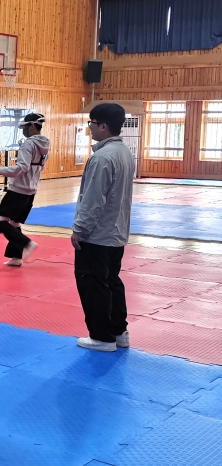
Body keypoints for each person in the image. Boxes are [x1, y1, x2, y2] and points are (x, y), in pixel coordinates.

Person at [71, 103, 134, 352]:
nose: (90, 128)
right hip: (116, 232)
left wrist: (80, 229)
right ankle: (119, 332)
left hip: (97, 235)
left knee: (93, 285)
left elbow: (93, 200)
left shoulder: (102, 158)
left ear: (104, 126)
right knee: (111, 282)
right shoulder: (124, 152)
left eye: (92, 124)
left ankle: (102, 337)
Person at [0, 114, 50, 266]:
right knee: (14, 223)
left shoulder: (28, 144)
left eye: (24, 127)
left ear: (32, 126)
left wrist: (0, 171)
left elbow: (22, 167)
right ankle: (16, 257)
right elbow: (39, 167)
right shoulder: (44, 146)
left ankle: (27, 243)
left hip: (18, 190)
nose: (23, 131)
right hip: (31, 190)